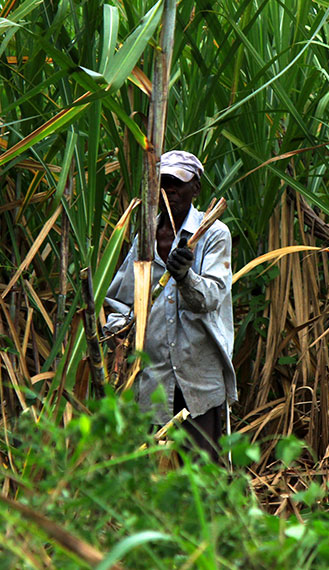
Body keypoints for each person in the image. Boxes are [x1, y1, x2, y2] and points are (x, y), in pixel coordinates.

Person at [104, 150, 236, 462]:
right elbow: (122, 300)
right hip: (154, 377)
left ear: (196, 188)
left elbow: (212, 296)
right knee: (153, 474)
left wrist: (185, 276)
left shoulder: (213, 234)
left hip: (199, 380)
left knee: (204, 472)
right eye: (163, 183)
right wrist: (116, 337)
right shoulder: (145, 237)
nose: (170, 190)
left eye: (178, 182)